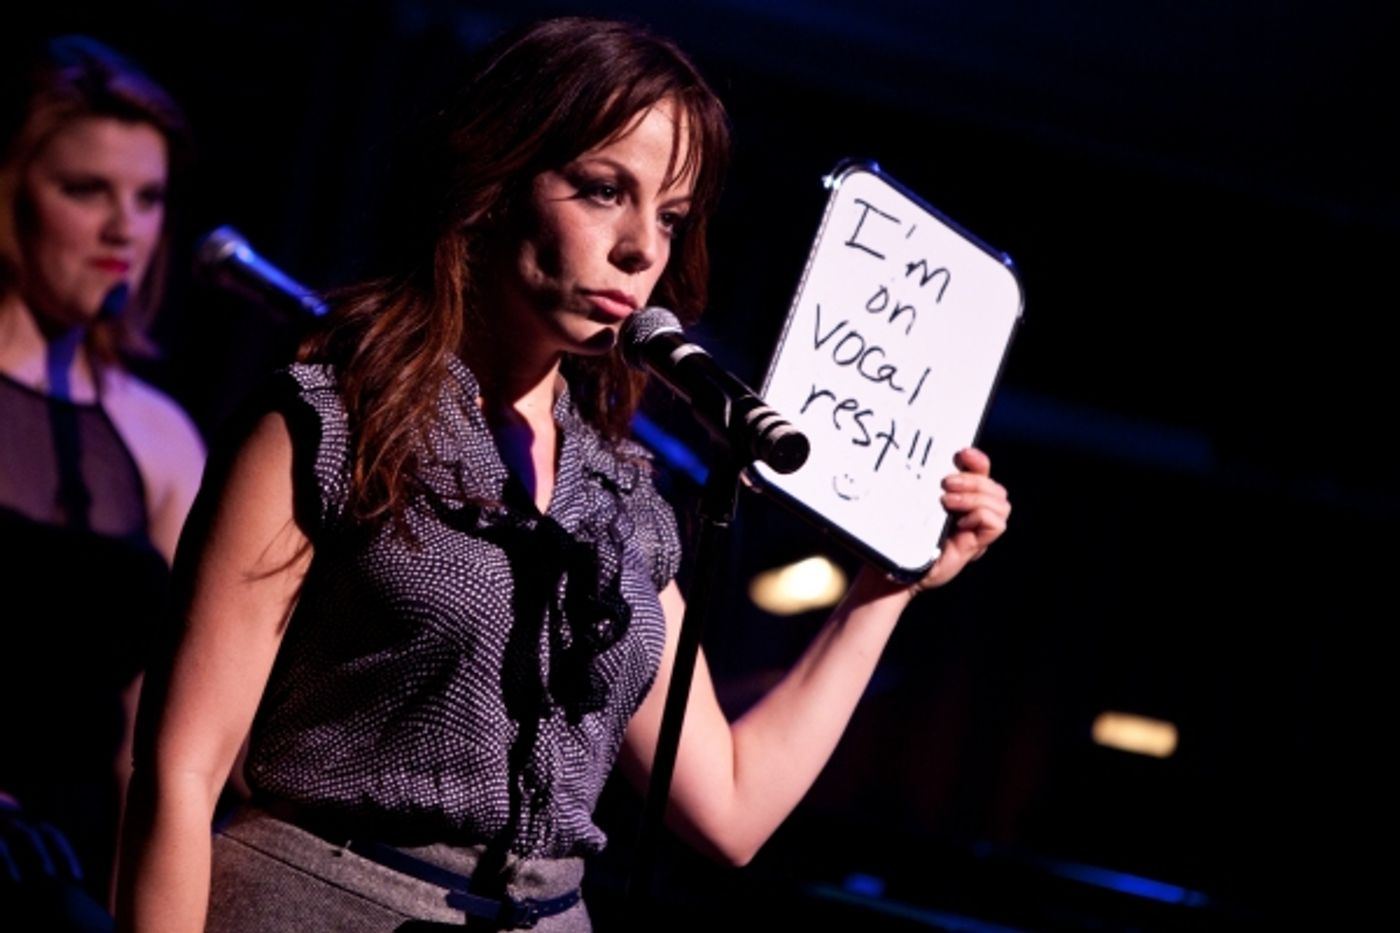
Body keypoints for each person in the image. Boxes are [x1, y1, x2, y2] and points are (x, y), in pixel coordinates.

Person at [116, 15, 1010, 933]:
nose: (642, 249)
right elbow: (180, 773)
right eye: (601, 191)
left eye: (668, 216)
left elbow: (732, 806)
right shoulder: (327, 422)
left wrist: (887, 585)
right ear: (495, 187)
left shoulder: (618, 494)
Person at [0, 34, 206, 924]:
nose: (126, 228)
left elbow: (155, 741)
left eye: (149, 198)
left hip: (71, 877)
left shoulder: (161, 438)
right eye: (87, 190)